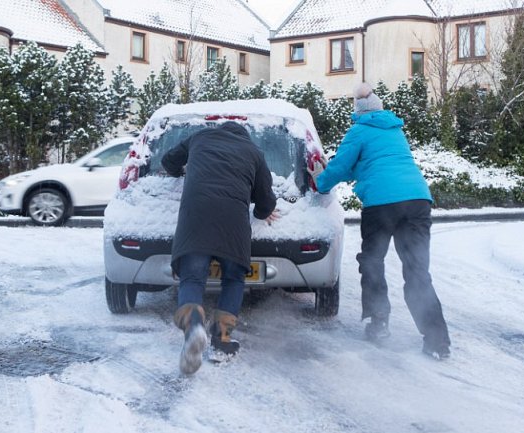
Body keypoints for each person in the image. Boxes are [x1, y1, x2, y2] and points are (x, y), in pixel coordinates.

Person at [309, 83, 451, 360]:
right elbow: (366, 164)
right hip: (418, 201)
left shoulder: (359, 130)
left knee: (373, 261)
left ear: (358, 110)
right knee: (417, 271)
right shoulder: (396, 131)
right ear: (380, 107)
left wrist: (321, 182)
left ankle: (379, 322)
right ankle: (437, 342)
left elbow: (341, 167)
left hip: (382, 205)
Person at [162, 121, 279, 374]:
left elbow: (169, 160)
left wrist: (178, 171)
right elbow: (266, 200)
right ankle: (222, 340)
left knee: (192, 278)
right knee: (234, 279)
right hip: (233, 223)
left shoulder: (200, 137)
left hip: (196, 218)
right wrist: (262, 212)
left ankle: (194, 326)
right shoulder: (253, 153)